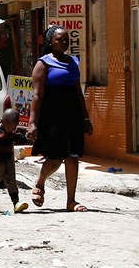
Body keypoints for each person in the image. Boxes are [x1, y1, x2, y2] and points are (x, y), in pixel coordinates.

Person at [27, 25, 93, 212]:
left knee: (73, 157)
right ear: (50, 41)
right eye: (59, 39)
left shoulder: (73, 62)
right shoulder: (43, 64)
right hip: (52, 116)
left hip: (72, 115)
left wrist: (86, 118)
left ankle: (71, 201)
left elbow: (77, 92)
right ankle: (40, 182)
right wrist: (32, 123)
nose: (64, 43)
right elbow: (37, 95)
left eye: (66, 40)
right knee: (55, 159)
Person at [0, 109, 30, 213]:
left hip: (9, 161)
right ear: (1, 122)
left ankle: (16, 203)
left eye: (13, 127)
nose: (10, 130)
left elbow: (20, 140)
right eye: (8, 127)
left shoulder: (13, 131)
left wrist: (29, 137)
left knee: (11, 182)